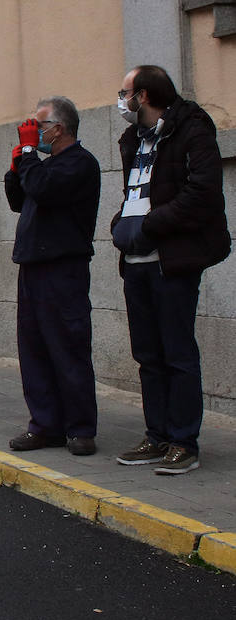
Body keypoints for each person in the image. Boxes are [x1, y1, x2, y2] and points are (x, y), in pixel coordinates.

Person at [110, 65, 231, 475]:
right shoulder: (132, 139)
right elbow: (136, 193)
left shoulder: (192, 129)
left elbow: (202, 192)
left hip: (172, 260)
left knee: (177, 352)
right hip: (137, 260)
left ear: (143, 95)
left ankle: (184, 442)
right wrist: (120, 224)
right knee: (147, 355)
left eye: (125, 91)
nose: (121, 99)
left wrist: (148, 225)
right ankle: (156, 435)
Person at [3, 96, 101, 456]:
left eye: (39, 126)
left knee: (68, 347)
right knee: (35, 349)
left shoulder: (79, 164)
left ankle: (80, 428)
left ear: (59, 129)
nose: (34, 132)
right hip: (33, 266)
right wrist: (18, 167)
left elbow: (44, 188)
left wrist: (30, 154)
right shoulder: (44, 166)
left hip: (64, 268)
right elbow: (21, 200)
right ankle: (46, 424)